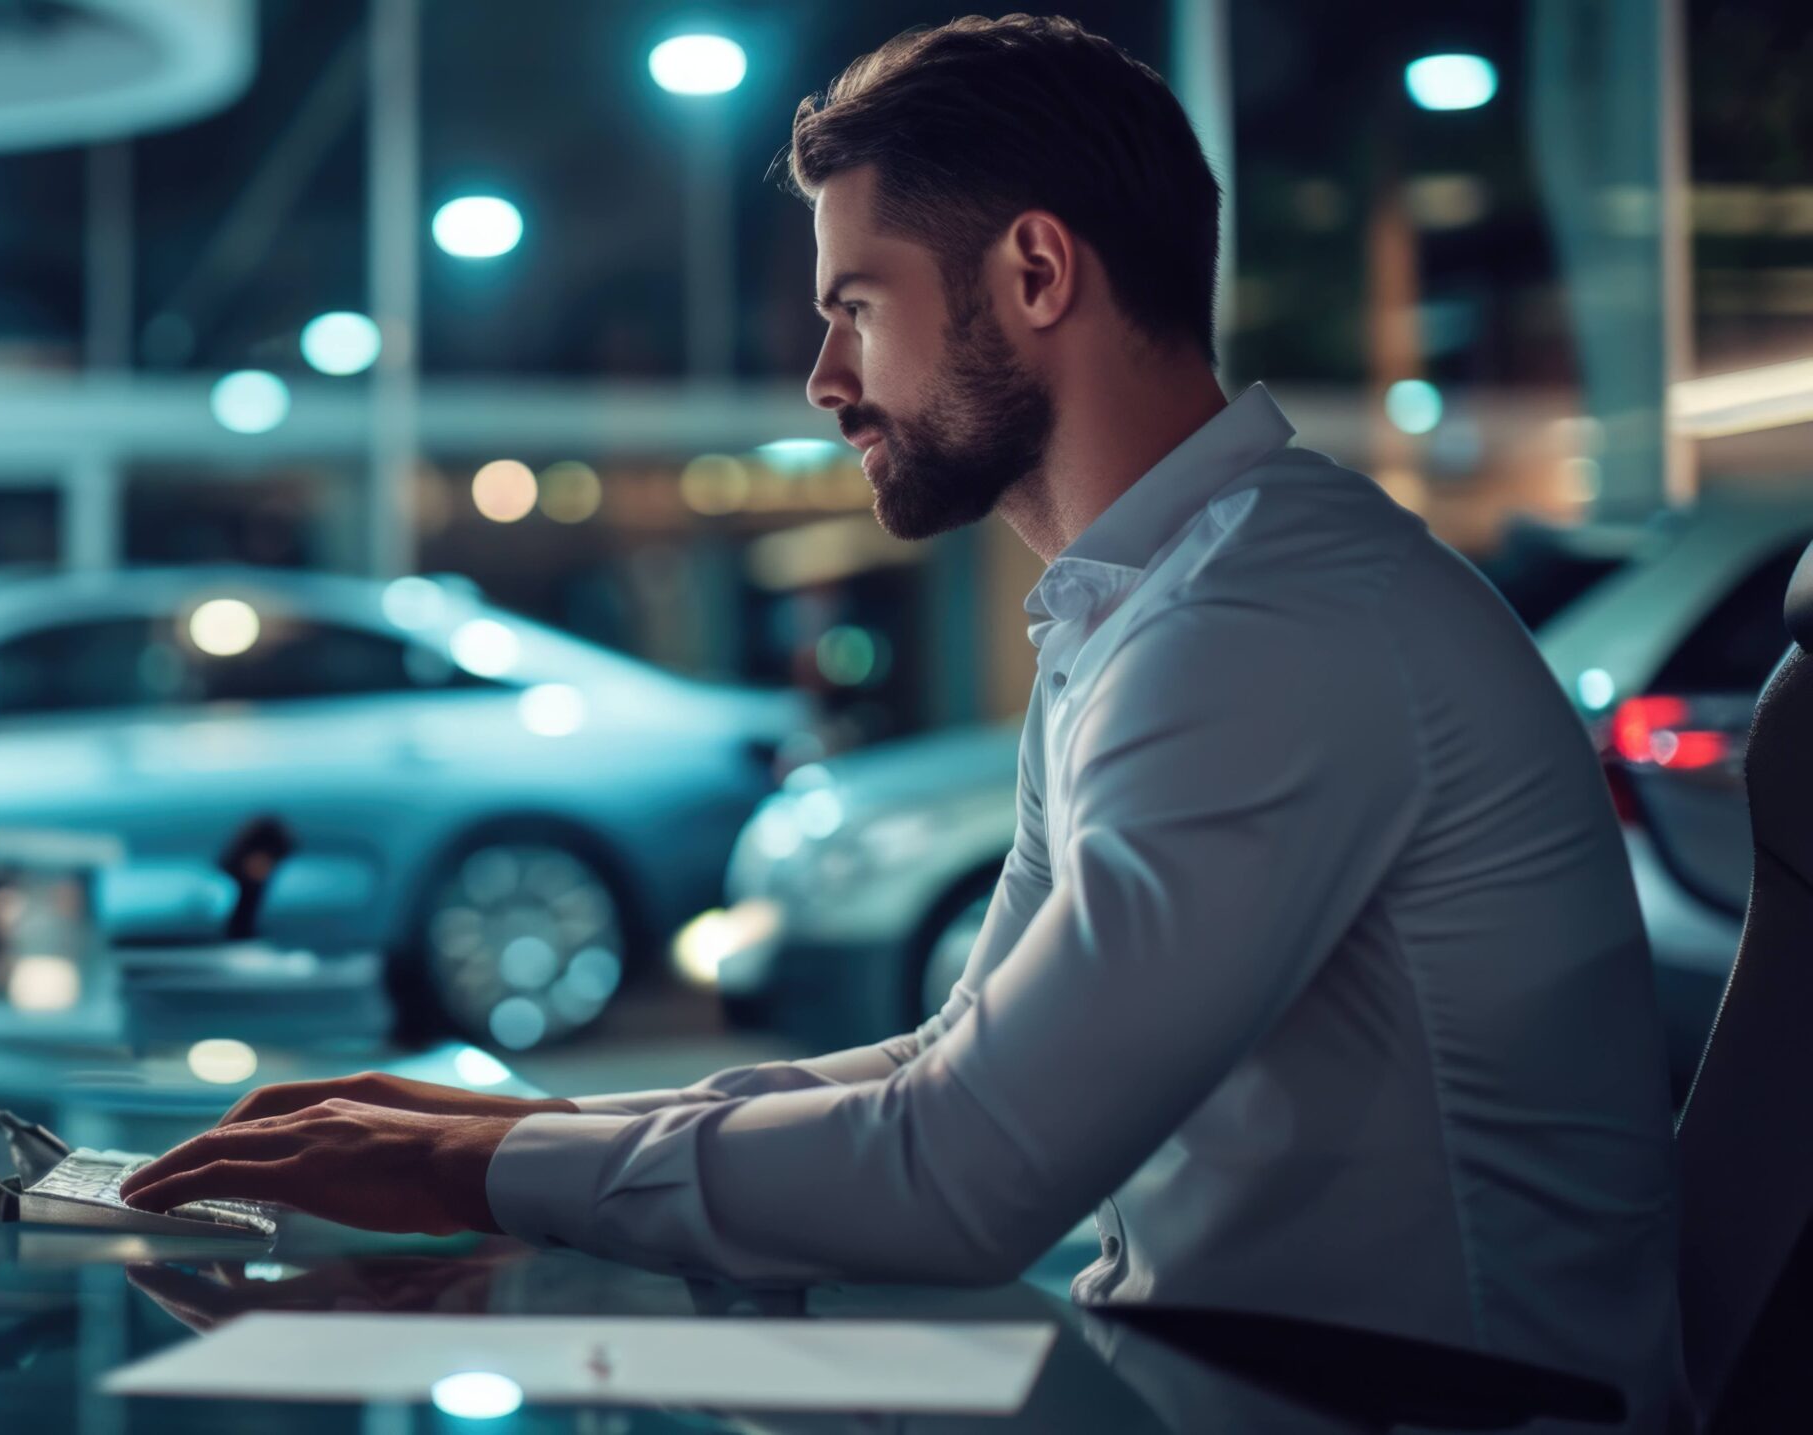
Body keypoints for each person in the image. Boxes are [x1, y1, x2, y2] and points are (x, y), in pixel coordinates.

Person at [127, 14, 1683, 1420]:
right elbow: (957, 1061)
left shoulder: (1262, 626)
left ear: (1036, 272)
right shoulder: (1156, 604)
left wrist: (478, 1167)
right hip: (1230, 1381)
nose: (821, 377)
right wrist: (519, 1129)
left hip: (1409, 1407)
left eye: (856, 306)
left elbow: (969, 1172)